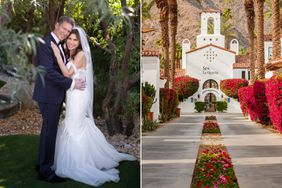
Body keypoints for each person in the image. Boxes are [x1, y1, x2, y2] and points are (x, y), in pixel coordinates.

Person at [50, 26, 136, 186]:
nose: (71, 42)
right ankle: (86, 157)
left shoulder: (81, 55)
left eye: (75, 40)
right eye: (70, 38)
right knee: (74, 124)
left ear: (80, 42)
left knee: (75, 126)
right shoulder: (72, 54)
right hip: (73, 93)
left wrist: (56, 54)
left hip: (79, 96)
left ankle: (79, 162)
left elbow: (67, 74)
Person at [32, 16, 86, 183]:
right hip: (48, 95)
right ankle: (45, 171)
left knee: (48, 131)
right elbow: (48, 72)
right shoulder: (46, 42)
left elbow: (62, 67)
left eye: (69, 31)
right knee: (50, 132)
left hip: (53, 94)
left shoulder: (58, 44)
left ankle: (41, 164)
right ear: (56, 25)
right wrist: (71, 83)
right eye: (64, 29)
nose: (65, 33)